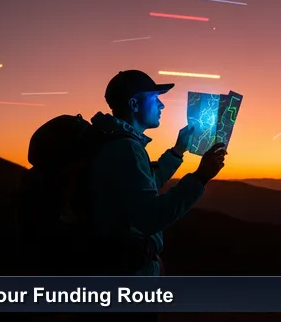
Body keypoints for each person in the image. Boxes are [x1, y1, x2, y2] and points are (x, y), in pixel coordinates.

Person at [86, 69, 227, 276]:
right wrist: (200, 177)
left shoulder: (116, 142)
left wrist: (178, 150)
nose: (161, 105)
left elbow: (145, 185)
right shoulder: (125, 148)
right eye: (155, 99)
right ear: (134, 105)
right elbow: (150, 217)